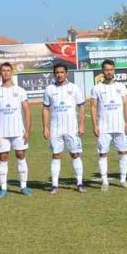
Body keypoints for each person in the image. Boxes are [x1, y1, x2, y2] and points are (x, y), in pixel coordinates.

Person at [0, 62, 33, 197]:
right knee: (3, 157)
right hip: (2, 132)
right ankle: (3, 188)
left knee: (21, 155)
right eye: (3, 70)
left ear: (12, 72)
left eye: (8, 70)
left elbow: (27, 111)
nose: (6, 73)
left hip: (18, 131)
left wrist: (28, 130)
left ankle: (23, 186)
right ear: (0, 73)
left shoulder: (20, 91)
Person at [43, 64, 87, 193]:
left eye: (62, 72)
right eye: (57, 72)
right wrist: (45, 127)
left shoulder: (74, 88)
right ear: (54, 74)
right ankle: (54, 185)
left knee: (75, 154)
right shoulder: (49, 89)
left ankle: (79, 183)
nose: (59, 74)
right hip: (55, 128)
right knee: (56, 155)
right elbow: (45, 109)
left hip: (71, 128)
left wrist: (82, 124)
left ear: (66, 73)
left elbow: (81, 106)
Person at [89, 59, 127, 189]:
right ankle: (105, 182)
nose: (109, 72)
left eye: (111, 69)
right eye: (106, 70)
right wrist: (95, 125)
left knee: (123, 152)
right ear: (102, 71)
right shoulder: (97, 88)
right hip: (104, 127)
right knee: (102, 154)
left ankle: (123, 180)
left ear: (114, 70)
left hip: (119, 126)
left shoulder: (121, 87)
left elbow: (126, 104)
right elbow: (93, 107)